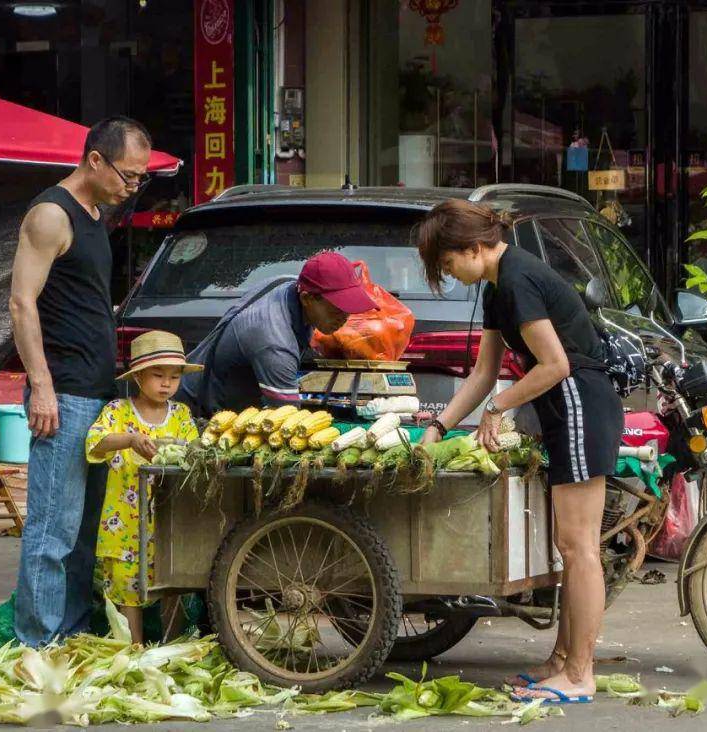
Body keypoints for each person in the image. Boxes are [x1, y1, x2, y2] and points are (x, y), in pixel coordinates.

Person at [412, 199, 624, 706]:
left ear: (473, 247)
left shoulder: (517, 279)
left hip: (578, 405)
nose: (450, 274)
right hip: (565, 411)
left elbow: (555, 365)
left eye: (447, 264)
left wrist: (498, 409)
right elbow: (483, 374)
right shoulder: (497, 288)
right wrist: (438, 426)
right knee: (569, 548)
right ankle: (561, 662)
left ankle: (580, 674)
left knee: (579, 549)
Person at [8, 116, 153, 647]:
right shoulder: (51, 214)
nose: (132, 186)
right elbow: (22, 303)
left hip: (98, 391)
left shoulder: (94, 214)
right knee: (53, 530)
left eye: (140, 178)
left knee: (88, 531)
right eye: (129, 175)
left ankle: (71, 635)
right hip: (62, 393)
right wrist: (40, 386)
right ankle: (36, 644)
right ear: (95, 159)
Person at [85, 331, 200, 643]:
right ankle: (132, 647)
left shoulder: (182, 416)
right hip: (124, 519)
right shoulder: (118, 412)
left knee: (172, 580)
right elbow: (95, 443)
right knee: (126, 584)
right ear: (137, 377)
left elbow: (195, 452)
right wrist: (130, 439)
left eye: (174, 377)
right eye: (158, 375)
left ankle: (171, 645)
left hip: (168, 519)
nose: (166, 384)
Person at [176, 251, 377, 416]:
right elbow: (287, 418)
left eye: (348, 307)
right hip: (193, 411)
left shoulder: (288, 284)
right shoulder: (273, 340)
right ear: (307, 299)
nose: (344, 317)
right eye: (336, 308)